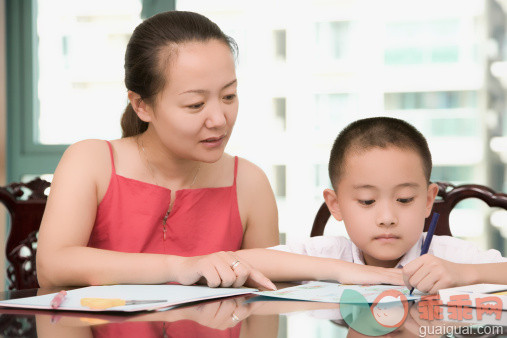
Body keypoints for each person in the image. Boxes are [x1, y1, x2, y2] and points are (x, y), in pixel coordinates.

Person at [36, 11, 278, 290]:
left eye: (228, 97)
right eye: (196, 104)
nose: (219, 120)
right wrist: (180, 266)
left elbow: (266, 293)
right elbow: (52, 267)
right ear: (142, 105)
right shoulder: (90, 162)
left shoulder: (250, 182)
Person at [235, 117, 507, 293]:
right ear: (335, 204)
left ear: (427, 200)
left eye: (404, 200)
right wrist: (345, 270)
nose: (387, 218)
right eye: (367, 201)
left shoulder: (448, 255)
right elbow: (239, 262)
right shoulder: (330, 253)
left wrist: (465, 273)